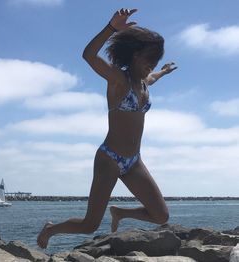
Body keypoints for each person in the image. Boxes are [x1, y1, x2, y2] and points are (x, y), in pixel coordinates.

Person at [37, 8, 177, 249]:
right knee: (89, 224)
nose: (150, 67)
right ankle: (51, 229)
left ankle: (120, 213)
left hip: (134, 160)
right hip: (110, 159)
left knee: (161, 216)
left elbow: (152, 77)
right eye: (148, 61)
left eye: (154, 63)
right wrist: (111, 28)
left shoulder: (144, 81)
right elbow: (88, 55)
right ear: (134, 55)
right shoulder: (117, 79)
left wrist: (163, 72)